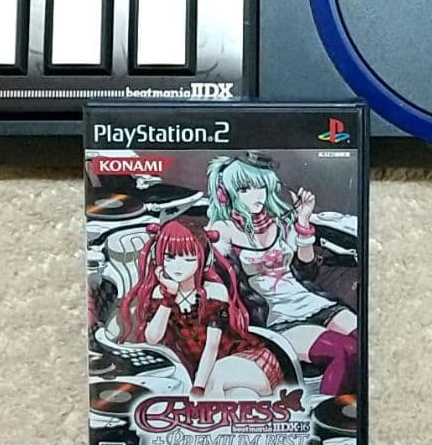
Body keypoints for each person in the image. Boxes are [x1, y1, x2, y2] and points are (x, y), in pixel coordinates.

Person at [206, 153, 358, 396]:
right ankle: (324, 416)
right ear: (226, 193)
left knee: (366, 342)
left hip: (315, 303)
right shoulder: (223, 230)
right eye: (245, 189)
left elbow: (307, 270)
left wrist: (303, 221)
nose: (256, 195)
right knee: (344, 351)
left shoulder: (280, 223)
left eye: (260, 187)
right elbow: (217, 281)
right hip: (279, 319)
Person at [118, 218, 283, 398]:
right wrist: (169, 297)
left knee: (216, 378)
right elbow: (152, 338)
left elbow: (212, 346)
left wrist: (198, 388)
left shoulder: (214, 292)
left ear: (204, 260)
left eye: (188, 258)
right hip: (214, 376)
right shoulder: (160, 293)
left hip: (250, 363)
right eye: (170, 257)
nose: (178, 266)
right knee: (241, 397)